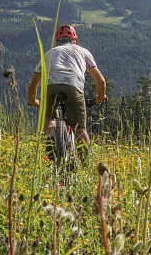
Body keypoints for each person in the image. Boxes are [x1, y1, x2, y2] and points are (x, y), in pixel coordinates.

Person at [27, 24, 106, 162]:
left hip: (52, 87)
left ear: (57, 40)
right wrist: (100, 97)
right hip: (73, 86)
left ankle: (51, 137)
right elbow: (100, 81)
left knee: (51, 119)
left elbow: (33, 83)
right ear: (75, 40)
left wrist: (33, 101)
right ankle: (85, 165)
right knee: (80, 129)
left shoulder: (49, 53)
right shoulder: (83, 51)